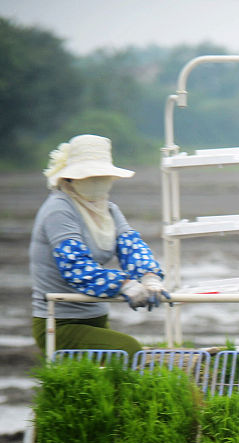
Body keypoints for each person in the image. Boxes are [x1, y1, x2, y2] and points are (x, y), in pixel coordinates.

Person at [30, 134, 169, 358]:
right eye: (88, 176)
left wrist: (150, 278)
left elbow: (131, 245)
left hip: (95, 316)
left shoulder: (109, 210)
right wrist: (124, 284)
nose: (96, 181)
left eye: (102, 176)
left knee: (112, 374)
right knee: (129, 350)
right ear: (70, 178)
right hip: (59, 322)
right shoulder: (59, 209)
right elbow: (75, 266)